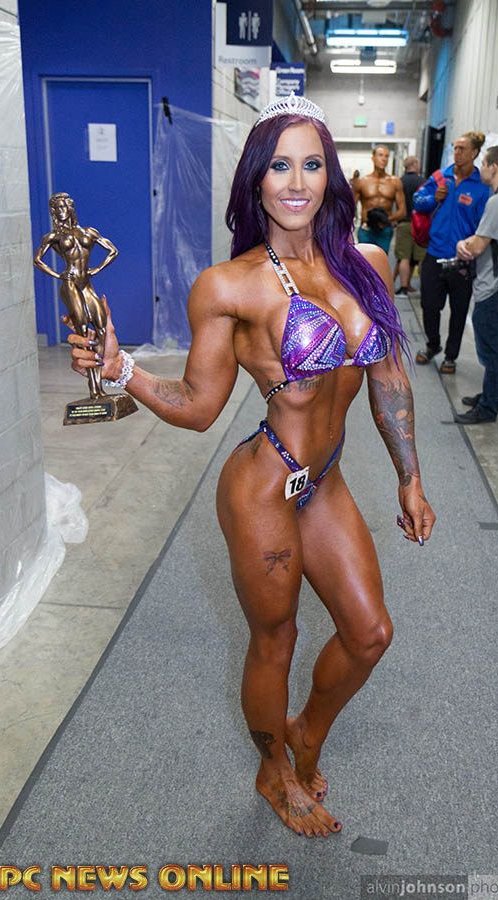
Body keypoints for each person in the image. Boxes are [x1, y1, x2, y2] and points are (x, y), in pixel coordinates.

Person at [67, 94, 436, 839]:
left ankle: (305, 733)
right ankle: (274, 772)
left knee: (370, 634)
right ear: (256, 179)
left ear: (331, 176)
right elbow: (198, 406)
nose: (296, 182)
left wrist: (409, 476)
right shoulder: (229, 285)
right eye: (279, 166)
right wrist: (122, 371)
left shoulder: (365, 264)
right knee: (277, 640)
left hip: (324, 480)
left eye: (312, 165)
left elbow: (389, 375)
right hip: (263, 486)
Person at [453, 145, 498, 424]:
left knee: (491, 351)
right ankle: (491, 396)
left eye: (484, 164)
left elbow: (478, 246)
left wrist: (462, 244)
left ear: (494, 168)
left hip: (492, 287)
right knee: (497, 347)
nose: (480, 168)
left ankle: (488, 408)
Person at [413, 132, 490, 374]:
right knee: (429, 305)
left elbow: (484, 225)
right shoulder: (440, 177)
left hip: (462, 261)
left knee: (458, 311)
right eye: (455, 148)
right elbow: (417, 201)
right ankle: (433, 344)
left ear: (474, 153)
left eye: (462, 149)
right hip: (434, 254)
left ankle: (450, 356)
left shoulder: (482, 187)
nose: (457, 153)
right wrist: (432, 199)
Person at [34, 192, 118, 400]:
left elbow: (113, 251)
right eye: (57, 208)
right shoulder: (53, 237)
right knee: (82, 330)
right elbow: (38, 260)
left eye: (64, 206)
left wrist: (97, 269)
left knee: (101, 327)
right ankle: (94, 388)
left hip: (86, 283)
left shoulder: (88, 232)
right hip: (70, 283)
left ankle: (101, 382)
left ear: (70, 208)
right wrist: (58, 275)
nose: (61, 211)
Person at [353, 145, 406, 254]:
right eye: (380, 155)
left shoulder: (395, 182)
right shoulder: (362, 182)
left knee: (382, 262)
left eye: (386, 156)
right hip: (366, 229)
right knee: (364, 262)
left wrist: (385, 220)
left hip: (385, 230)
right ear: (373, 158)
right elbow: (350, 208)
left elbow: (402, 211)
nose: (384, 159)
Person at [393, 156, 425, 296]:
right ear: (415, 164)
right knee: (421, 257)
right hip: (420, 225)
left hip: (404, 222)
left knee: (404, 256)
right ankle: (425, 287)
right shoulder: (423, 182)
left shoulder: (399, 181)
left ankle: (404, 287)